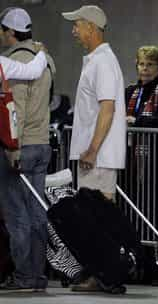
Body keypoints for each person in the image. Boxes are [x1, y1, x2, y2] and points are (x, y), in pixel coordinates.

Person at [62, 4, 127, 292]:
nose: (73, 30)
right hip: (95, 155)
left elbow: (108, 109)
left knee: (96, 219)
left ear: (91, 27)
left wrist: (91, 149)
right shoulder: (96, 60)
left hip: (97, 156)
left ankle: (103, 274)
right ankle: (101, 272)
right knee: (95, 219)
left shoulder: (103, 62)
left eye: (77, 24)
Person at [0, 7, 54, 292]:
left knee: (17, 214)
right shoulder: (43, 60)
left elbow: (14, 110)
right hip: (42, 143)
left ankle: (24, 277)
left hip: (21, 146)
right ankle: (37, 276)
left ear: (10, 32)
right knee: (36, 213)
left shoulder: (15, 62)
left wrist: (13, 146)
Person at [125, 46, 158, 132]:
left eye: (150, 64)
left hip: (157, 145)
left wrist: (137, 122)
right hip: (129, 144)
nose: (145, 68)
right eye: (141, 64)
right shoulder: (129, 92)